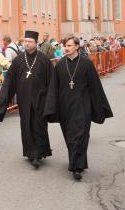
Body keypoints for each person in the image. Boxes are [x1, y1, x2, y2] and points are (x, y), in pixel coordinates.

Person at [44, 37, 113, 180]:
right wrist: (51, 107)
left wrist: (100, 107)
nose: (66, 48)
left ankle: (77, 167)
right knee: (70, 136)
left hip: (83, 106)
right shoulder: (60, 65)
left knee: (81, 135)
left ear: (77, 46)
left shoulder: (86, 63)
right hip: (65, 108)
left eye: (69, 45)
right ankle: (75, 161)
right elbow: (53, 89)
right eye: (64, 46)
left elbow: (95, 87)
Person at [0, 30, 54, 169]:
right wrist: (1, 105)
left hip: (41, 99)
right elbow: (9, 82)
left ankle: (39, 152)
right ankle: (31, 153)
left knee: (39, 125)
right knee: (26, 125)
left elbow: (52, 82)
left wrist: (51, 103)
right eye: (25, 41)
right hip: (24, 99)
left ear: (36, 43)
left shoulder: (44, 60)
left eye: (30, 42)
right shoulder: (19, 60)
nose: (26, 44)